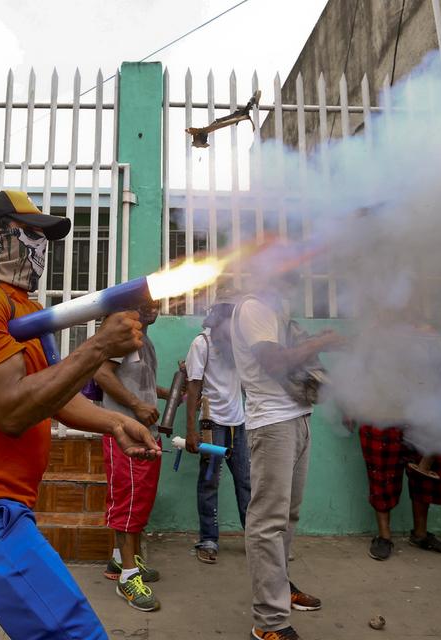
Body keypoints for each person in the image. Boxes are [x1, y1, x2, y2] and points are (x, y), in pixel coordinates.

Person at [0, 190, 160, 640]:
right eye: (31, 232)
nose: (41, 245)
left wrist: (116, 423)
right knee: (75, 633)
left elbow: (51, 396)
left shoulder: (27, 310)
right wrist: (97, 348)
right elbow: (12, 411)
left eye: (44, 236)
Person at [230, 272, 346, 640]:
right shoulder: (253, 308)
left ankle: (281, 589)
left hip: (296, 417)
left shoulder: (275, 313)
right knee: (267, 522)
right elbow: (275, 362)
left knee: (287, 517)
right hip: (273, 424)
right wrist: (320, 343)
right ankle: (269, 622)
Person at [355, 321, 441, 561]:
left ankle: (420, 534)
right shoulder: (371, 333)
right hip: (380, 415)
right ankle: (384, 536)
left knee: (425, 476)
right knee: (381, 475)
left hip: (422, 415)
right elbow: (356, 374)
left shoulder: (429, 334)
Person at [94, 300, 169, 612]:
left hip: (143, 433)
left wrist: (175, 392)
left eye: (156, 302)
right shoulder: (123, 337)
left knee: (137, 501)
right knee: (128, 501)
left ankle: (119, 560)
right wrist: (137, 406)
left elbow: (143, 385)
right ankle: (128, 576)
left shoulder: (144, 341)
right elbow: (101, 373)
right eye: (145, 303)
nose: (153, 307)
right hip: (124, 433)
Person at [185, 296, 250, 564]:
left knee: (246, 481)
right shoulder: (202, 344)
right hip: (212, 424)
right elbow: (193, 387)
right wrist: (191, 429)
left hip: (239, 424)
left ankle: (255, 538)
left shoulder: (239, 345)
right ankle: (208, 539)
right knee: (209, 481)